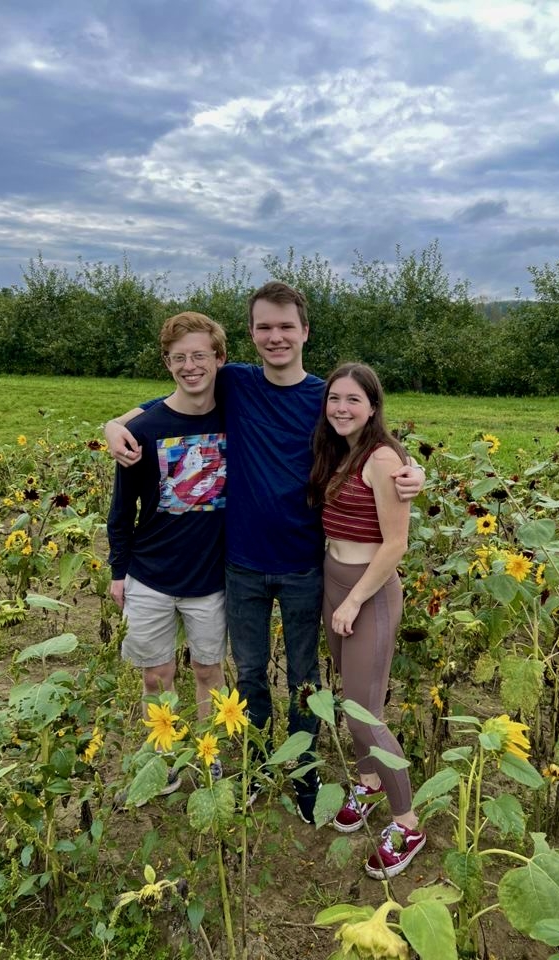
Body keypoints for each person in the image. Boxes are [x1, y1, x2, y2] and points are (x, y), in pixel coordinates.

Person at [105, 282, 424, 822]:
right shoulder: (235, 381)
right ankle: (254, 766)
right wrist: (115, 424)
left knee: (304, 679)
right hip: (242, 566)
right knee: (250, 674)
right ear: (251, 335)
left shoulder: (326, 400)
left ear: (304, 331)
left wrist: (414, 469)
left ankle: (303, 776)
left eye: (285, 326)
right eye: (264, 327)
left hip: (304, 566)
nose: (275, 337)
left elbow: (372, 440)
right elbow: (174, 396)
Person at [309, 362, 425, 879]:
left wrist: (354, 601)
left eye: (353, 400)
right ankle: (370, 783)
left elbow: (395, 544)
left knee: (363, 712)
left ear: (373, 406)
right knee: (354, 697)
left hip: (367, 593)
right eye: (334, 398)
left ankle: (408, 820)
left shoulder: (383, 459)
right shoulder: (340, 450)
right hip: (336, 583)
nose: (341, 408)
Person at [107, 312, 228, 792]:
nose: (190, 366)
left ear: (219, 358)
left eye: (199, 355)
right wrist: (119, 571)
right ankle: (167, 756)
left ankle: (208, 753)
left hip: (211, 577)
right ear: (167, 363)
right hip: (151, 573)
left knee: (207, 669)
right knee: (156, 675)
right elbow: (122, 509)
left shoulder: (235, 414)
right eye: (179, 358)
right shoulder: (147, 427)